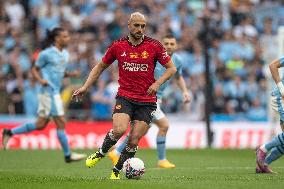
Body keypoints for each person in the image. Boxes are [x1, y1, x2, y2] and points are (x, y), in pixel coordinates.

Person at [72, 12, 177, 179]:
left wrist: (157, 84)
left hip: (147, 101)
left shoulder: (154, 45)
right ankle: (101, 153)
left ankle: (116, 172)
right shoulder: (118, 46)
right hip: (125, 96)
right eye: (136, 25)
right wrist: (85, 86)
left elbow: (172, 68)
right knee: (119, 130)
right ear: (129, 25)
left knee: (134, 140)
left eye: (143, 26)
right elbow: (100, 67)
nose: (140, 29)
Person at [2, 27, 86, 163]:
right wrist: (41, 80)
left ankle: (9, 132)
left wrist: (71, 74)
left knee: (40, 124)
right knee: (61, 122)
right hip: (48, 92)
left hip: (54, 92)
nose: (67, 39)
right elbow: (34, 69)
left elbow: (58, 72)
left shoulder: (64, 54)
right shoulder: (46, 54)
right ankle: (68, 155)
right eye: (65, 36)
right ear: (57, 39)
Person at [108, 34, 190, 168]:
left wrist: (185, 91)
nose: (169, 46)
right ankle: (162, 160)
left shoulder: (177, 60)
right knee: (164, 125)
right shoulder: (153, 57)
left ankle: (116, 152)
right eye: (166, 43)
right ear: (161, 45)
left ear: (176, 46)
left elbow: (178, 76)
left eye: (172, 44)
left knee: (143, 129)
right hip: (147, 98)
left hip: (159, 98)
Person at [256, 56, 284, 173]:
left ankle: (263, 165)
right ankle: (263, 149)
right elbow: (272, 65)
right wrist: (281, 88)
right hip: (281, 98)